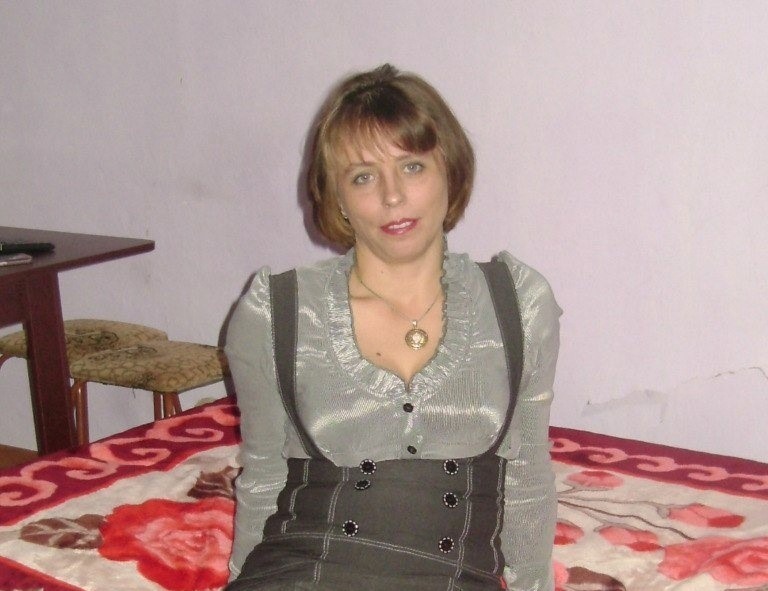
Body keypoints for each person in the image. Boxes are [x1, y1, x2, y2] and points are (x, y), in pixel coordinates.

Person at [225, 64, 561, 591]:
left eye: (412, 167)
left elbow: (528, 479)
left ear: (450, 171)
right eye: (363, 176)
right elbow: (264, 477)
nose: (392, 196)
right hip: (302, 574)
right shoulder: (276, 312)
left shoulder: (518, 304)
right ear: (337, 198)